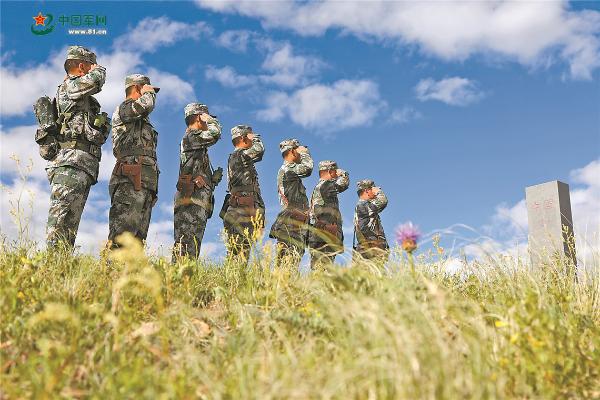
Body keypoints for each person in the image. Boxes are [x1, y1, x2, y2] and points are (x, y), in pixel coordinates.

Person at [42, 45, 109, 249]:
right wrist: (100, 68)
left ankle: (62, 270)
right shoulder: (71, 87)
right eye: (90, 65)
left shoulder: (82, 95)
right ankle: (49, 270)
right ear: (82, 66)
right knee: (59, 222)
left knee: (70, 227)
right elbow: (96, 79)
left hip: (81, 165)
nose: (94, 69)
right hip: (68, 163)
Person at [108, 74, 160, 246]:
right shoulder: (125, 108)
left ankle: (130, 273)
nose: (152, 94)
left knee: (138, 240)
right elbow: (145, 106)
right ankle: (111, 272)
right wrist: (149, 95)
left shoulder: (141, 119)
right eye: (148, 90)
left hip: (144, 182)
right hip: (129, 179)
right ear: (138, 88)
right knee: (122, 235)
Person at [172, 103, 222, 260]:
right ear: (200, 117)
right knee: (186, 243)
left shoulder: (198, 144)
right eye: (206, 118)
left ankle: (186, 279)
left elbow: (196, 173)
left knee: (193, 243)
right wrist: (210, 121)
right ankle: (176, 279)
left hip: (197, 198)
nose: (208, 122)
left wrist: (212, 180)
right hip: (191, 198)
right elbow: (215, 133)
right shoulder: (191, 137)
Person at [221, 125, 265, 262]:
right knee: (237, 253)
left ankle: (237, 282)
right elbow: (259, 150)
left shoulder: (241, 157)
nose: (253, 139)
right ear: (243, 138)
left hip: (245, 209)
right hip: (239, 210)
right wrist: (256, 138)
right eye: (250, 136)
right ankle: (232, 282)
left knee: (243, 253)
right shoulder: (239, 155)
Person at [269, 139, 313, 269]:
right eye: (298, 150)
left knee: (291, 263)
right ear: (293, 151)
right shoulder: (289, 169)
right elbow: (308, 168)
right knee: (287, 264)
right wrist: (305, 154)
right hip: (291, 223)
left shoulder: (289, 170)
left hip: (294, 222)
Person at [308, 160, 349, 269]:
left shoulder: (320, 187)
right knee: (322, 269)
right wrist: (343, 173)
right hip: (324, 236)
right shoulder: (325, 185)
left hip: (321, 235)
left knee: (321, 268)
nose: (336, 174)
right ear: (330, 171)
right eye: (335, 172)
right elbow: (343, 184)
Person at [353, 179, 389, 261]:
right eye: (372, 189)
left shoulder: (362, 205)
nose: (374, 192)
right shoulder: (363, 205)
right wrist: (378, 191)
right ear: (367, 191)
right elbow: (383, 201)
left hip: (367, 248)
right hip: (371, 249)